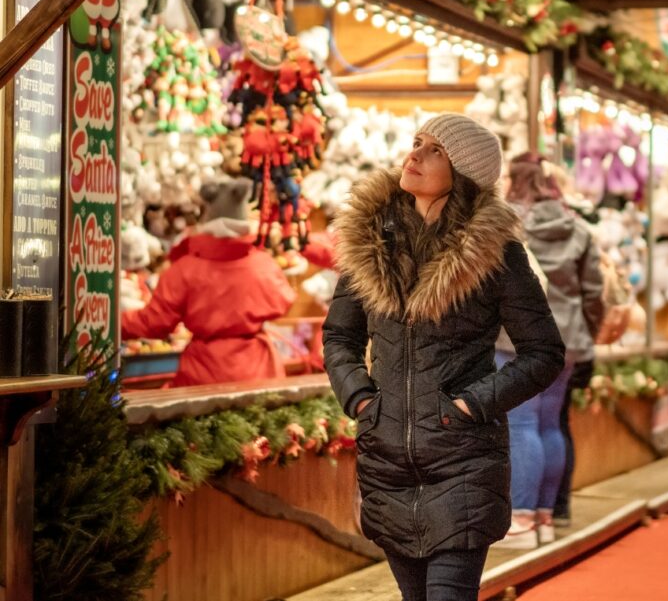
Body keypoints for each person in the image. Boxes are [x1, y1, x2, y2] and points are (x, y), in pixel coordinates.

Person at [322, 114, 564, 601]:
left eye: (435, 150)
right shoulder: (372, 244)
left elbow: (543, 352)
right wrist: (363, 402)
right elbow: (339, 337)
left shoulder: (495, 253)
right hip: (387, 463)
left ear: (465, 172)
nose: (415, 155)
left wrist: (471, 405)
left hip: (463, 463)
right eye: (416, 143)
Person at [497, 153, 605, 548]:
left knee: (522, 425)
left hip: (517, 341)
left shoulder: (506, 223)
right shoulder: (577, 227)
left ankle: (521, 521)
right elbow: (595, 293)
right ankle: (544, 516)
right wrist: (583, 333)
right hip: (568, 340)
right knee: (549, 424)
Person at [121, 177, 296, 386]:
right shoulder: (264, 264)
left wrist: (111, 323)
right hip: (261, 373)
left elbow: (154, 323)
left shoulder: (185, 270)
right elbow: (285, 301)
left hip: (205, 375)